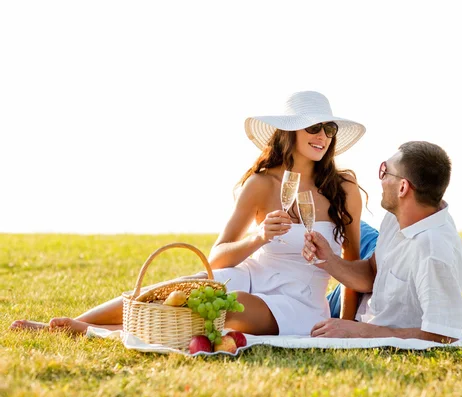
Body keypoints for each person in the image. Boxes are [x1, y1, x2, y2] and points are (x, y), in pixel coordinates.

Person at [10, 91, 366, 336]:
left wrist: (347, 326)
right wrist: (260, 237)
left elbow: (353, 266)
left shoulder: (344, 189)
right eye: (314, 127)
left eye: (329, 129)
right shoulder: (261, 184)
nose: (323, 136)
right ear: (290, 131)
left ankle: (99, 331)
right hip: (247, 277)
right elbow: (219, 256)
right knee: (176, 290)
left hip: (298, 302)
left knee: (225, 307)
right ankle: (76, 324)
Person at [304, 141, 462, 343]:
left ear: (402, 187)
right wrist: (328, 259)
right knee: (342, 219)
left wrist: (358, 331)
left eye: (385, 171)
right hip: (370, 299)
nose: (380, 179)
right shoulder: (398, 216)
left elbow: (442, 334)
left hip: (366, 316)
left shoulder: (432, 252)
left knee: (299, 316)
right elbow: (373, 272)